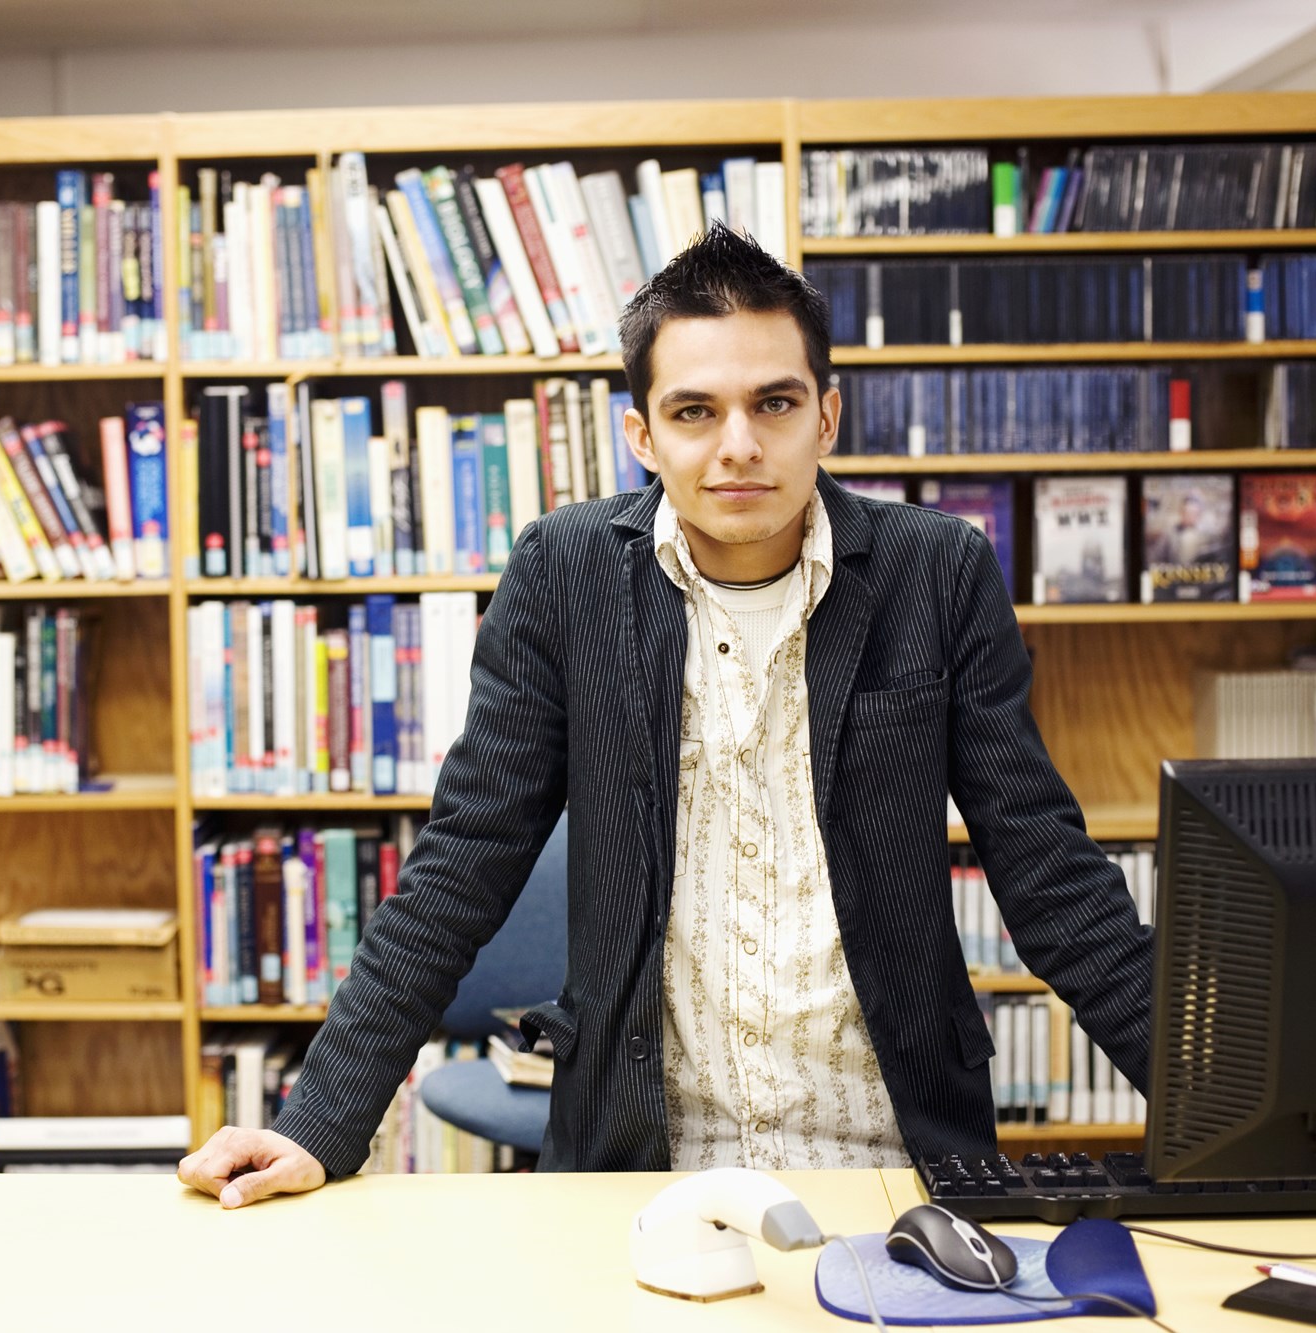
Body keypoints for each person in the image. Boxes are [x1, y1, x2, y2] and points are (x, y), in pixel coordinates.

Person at [177, 223, 1154, 1209]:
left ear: (825, 416)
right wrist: (315, 1123)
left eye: (773, 402)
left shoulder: (934, 572)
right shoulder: (564, 575)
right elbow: (462, 864)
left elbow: (1046, 873)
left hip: (895, 1160)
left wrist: (1235, 1116)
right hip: (638, 1176)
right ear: (641, 434)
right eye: (695, 410)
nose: (738, 446)